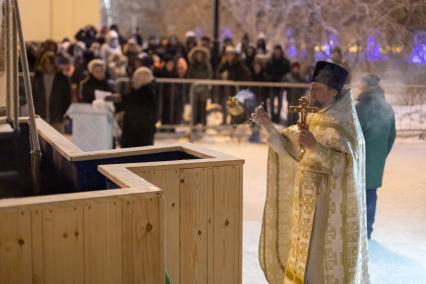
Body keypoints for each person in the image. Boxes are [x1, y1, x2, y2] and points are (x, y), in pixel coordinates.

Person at [252, 61, 369, 283]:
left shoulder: (344, 126)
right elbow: (287, 149)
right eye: (312, 86)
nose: (312, 91)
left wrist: (316, 148)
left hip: (326, 206)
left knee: (316, 260)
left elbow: (345, 167)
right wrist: (267, 125)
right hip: (305, 204)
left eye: (318, 88)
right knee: (302, 259)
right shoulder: (313, 118)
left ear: (333, 92)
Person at [356, 74, 396, 239]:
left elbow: (353, 136)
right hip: (376, 161)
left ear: (366, 87)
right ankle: (367, 230)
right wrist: (380, 156)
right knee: (370, 193)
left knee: (356, 195)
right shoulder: (387, 108)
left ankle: (357, 229)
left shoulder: (360, 109)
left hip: (358, 161)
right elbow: (392, 136)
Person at [32, 51, 71, 131]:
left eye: (50, 63)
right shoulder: (37, 77)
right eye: (46, 63)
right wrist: (33, 112)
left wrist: (66, 115)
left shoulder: (62, 78)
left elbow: (68, 98)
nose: (48, 66)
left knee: (57, 141)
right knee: (40, 142)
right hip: (40, 115)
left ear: (55, 64)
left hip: (58, 116)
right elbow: (33, 96)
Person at [121, 67, 157, 147]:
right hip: (134, 133)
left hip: (139, 135)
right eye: (133, 78)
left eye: (137, 79)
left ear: (143, 80)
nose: (133, 80)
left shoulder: (146, 94)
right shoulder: (134, 91)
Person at [265, 44, 291, 123]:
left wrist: (283, 80)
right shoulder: (270, 61)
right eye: (276, 50)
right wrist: (271, 79)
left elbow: (287, 73)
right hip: (272, 84)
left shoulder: (285, 62)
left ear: (280, 51)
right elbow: (266, 72)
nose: (277, 52)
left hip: (281, 85)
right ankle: (273, 117)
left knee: (280, 102)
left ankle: (278, 117)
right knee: (272, 102)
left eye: (278, 50)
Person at [187, 47, 213, 126]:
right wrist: (194, 83)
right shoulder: (192, 65)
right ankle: (194, 123)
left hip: (204, 89)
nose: (199, 56)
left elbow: (209, 74)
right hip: (194, 89)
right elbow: (189, 76)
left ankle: (203, 123)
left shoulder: (207, 65)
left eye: (200, 55)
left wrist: (204, 83)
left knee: (203, 106)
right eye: (197, 55)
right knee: (195, 106)